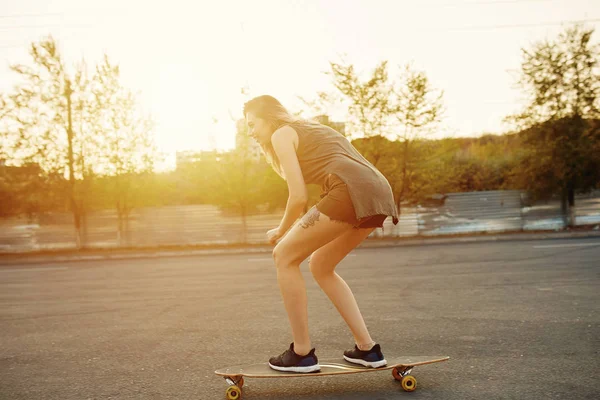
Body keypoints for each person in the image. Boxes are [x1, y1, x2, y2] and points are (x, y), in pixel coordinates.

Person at [244, 95, 399, 373]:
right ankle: (368, 349)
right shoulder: (310, 128)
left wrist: (281, 231)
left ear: (268, 118)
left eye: (252, 124)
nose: (251, 132)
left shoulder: (281, 134)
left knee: (284, 256)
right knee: (321, 265)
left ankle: (301, 353)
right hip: (378, 192)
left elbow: (298, 197)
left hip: (348, 191)